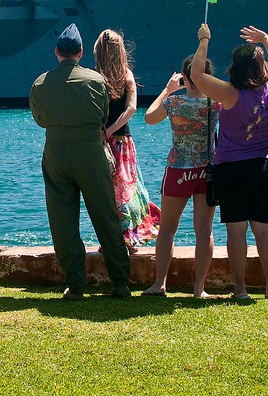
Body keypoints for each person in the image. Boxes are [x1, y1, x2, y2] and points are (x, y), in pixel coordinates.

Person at [29, 24, 131, 299]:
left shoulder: (40, 83)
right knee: (106, 217)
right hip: (90, 152)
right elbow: (103, 117)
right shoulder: (97, 81)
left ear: (56, 52)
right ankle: (120, 282)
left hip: (56, 152)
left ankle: (75, 285)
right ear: (81, 52)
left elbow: (39, 120)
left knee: (62, 221)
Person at [189, 24, 268, 301]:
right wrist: (266, 38)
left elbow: (196, 75)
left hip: (231, 169)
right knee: (264, 228)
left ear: (236, 69)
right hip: (264, 166)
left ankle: (241, 289)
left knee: (236, 230)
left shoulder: (228, 94)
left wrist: (204, 39)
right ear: (261, 69)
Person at [142, 56, 220, 297]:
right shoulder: (216, 102)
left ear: (185, 77)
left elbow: (149, 117)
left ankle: (159, 284)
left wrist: (167, 90)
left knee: (167, 230)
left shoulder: (174, 102)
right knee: (204, 231)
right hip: (207, 170)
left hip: (178, 170)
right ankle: (199, 289)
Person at [92, 29, 160, 252]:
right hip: (122, 141)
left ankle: (118, 239)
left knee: (106, 191)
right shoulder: (126, 74)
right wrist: (111, 131)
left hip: (103, 141)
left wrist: (105, 132)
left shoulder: (95, 77)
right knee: (127, 190)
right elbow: (131, 109)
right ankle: (126, 238)